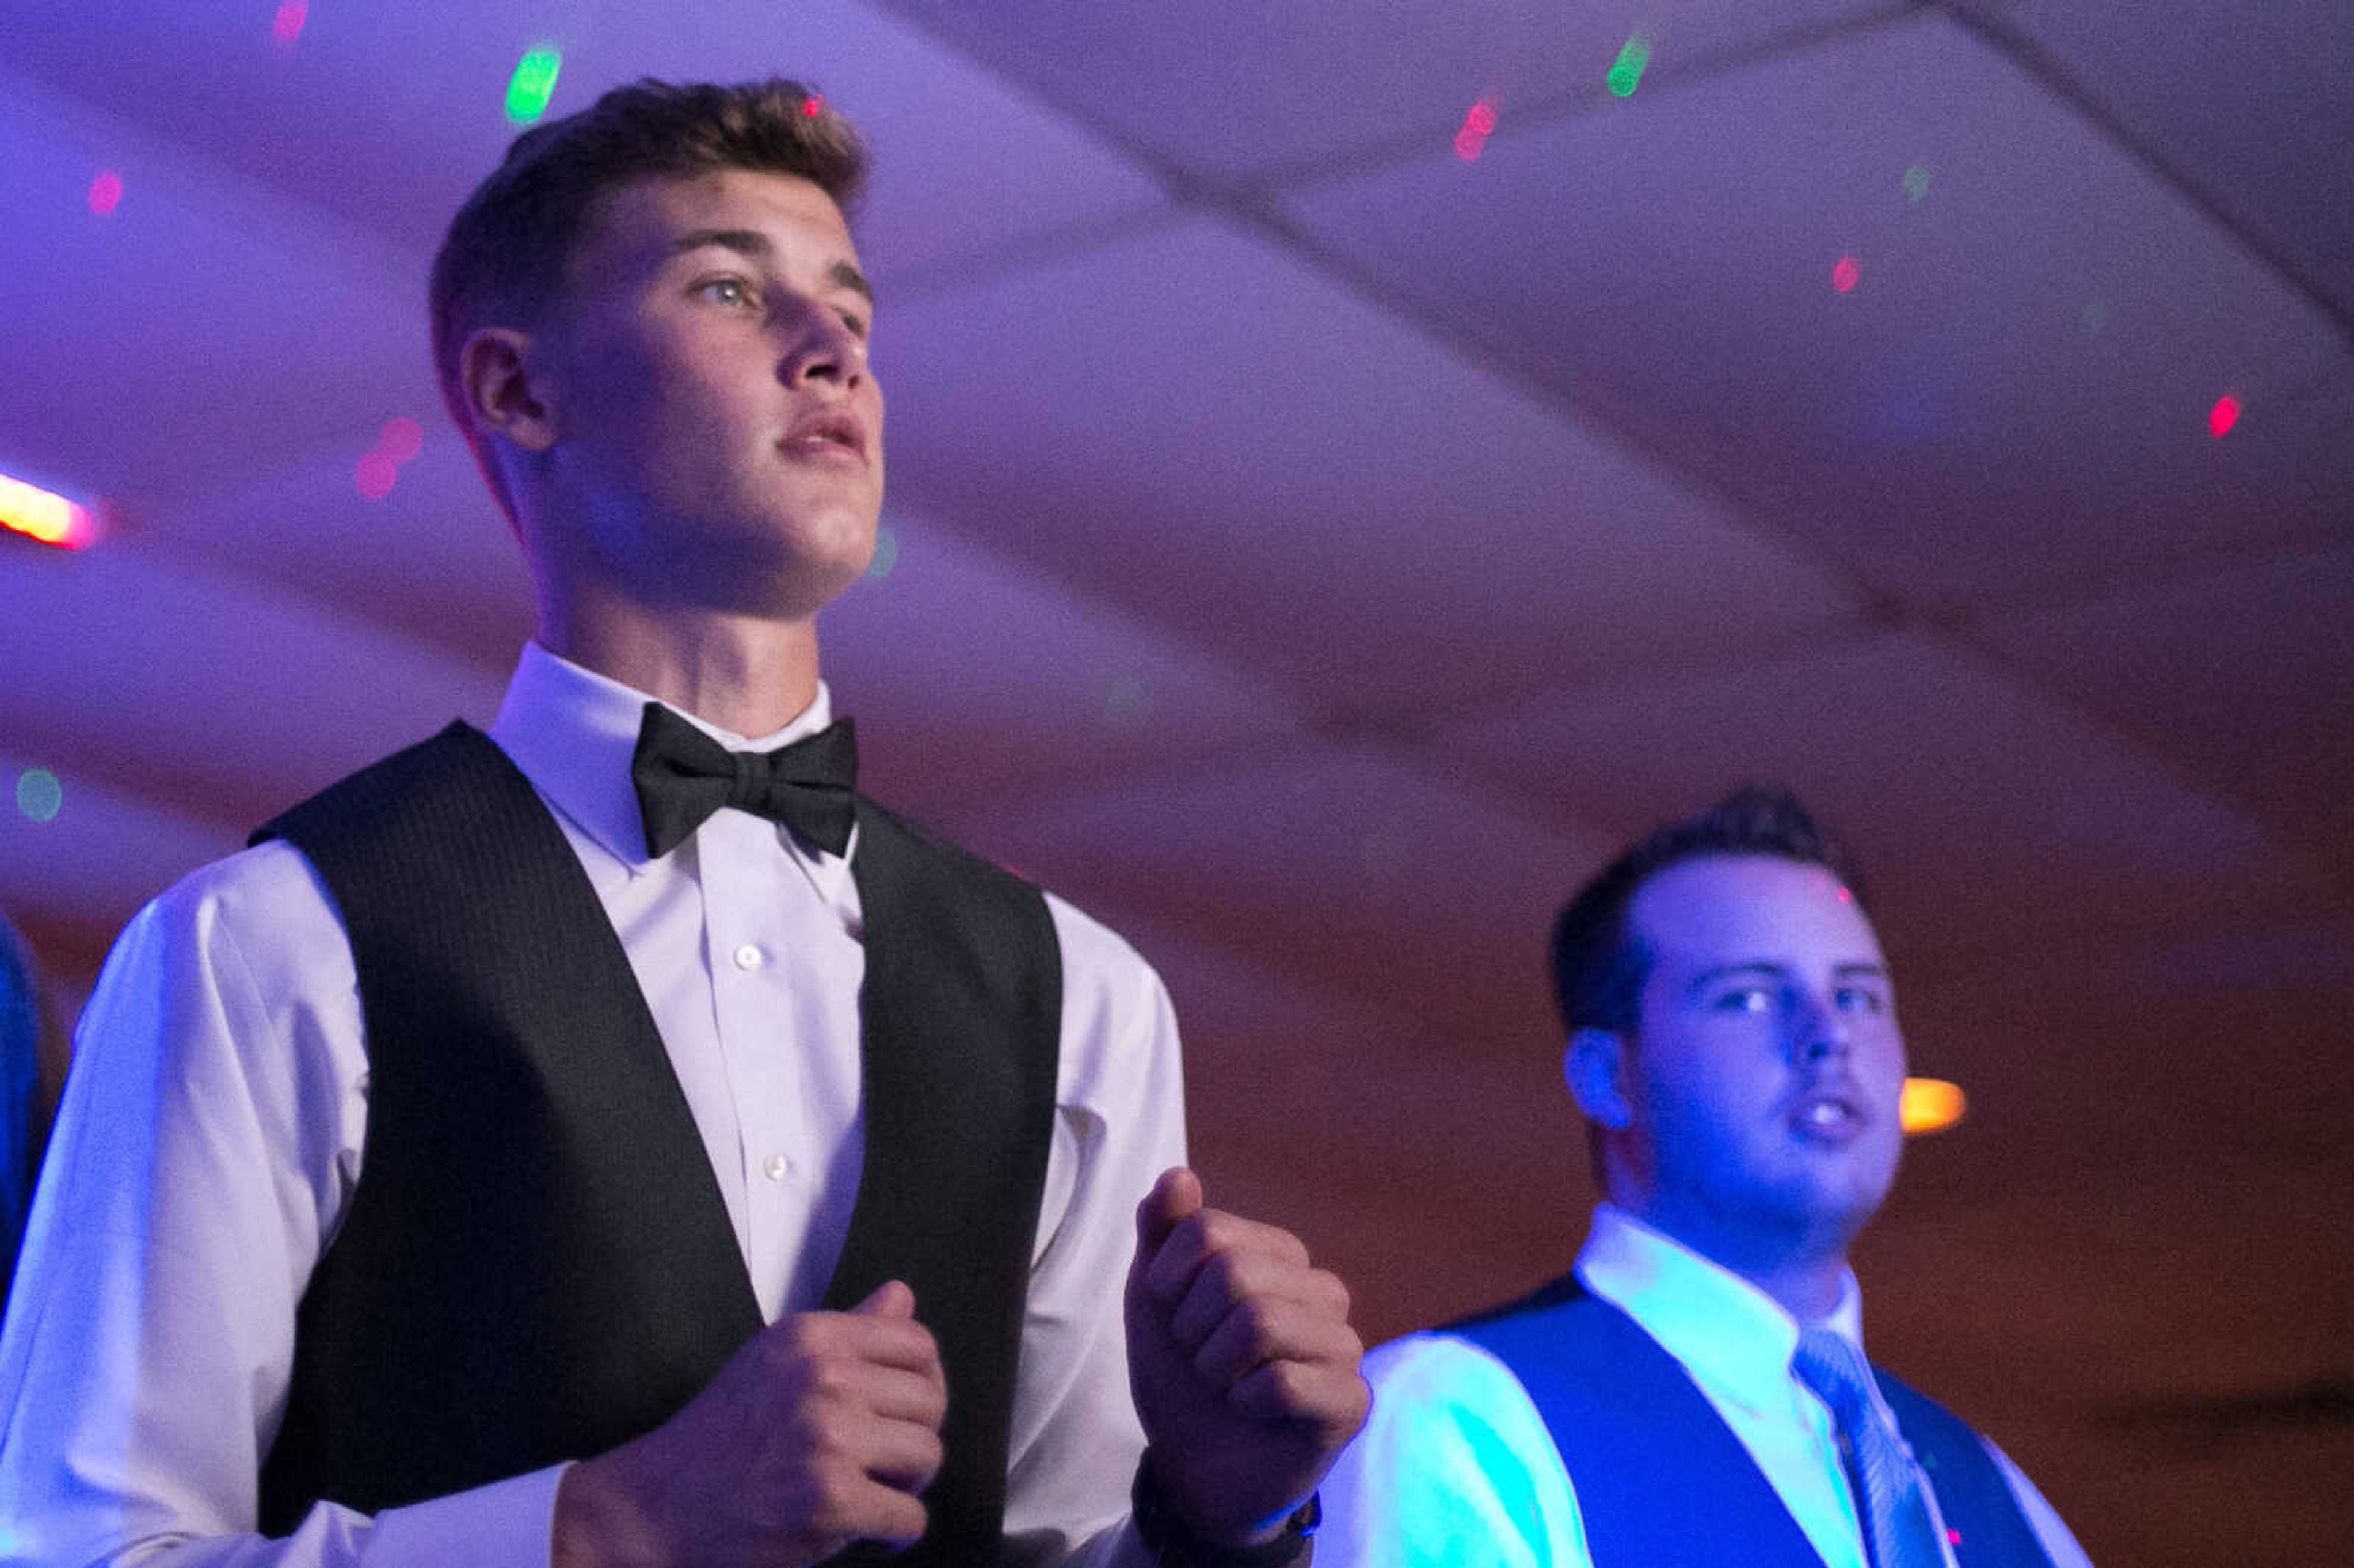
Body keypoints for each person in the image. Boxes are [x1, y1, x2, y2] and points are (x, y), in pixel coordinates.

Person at [0, 78, 1366, 1568]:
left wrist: (1214, 1514)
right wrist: (605, 1522)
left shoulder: (1079, 991)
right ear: (519, 391)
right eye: (728, 285)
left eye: (850, 308)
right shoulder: (267, 943)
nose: (833, 346)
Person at [1317, 786, 2093, 1567]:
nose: (1829, 1036)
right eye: (1748, 996)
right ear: (1608, 1075)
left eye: (1858, 995)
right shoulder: (1462, 1418)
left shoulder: (1993, 1490)